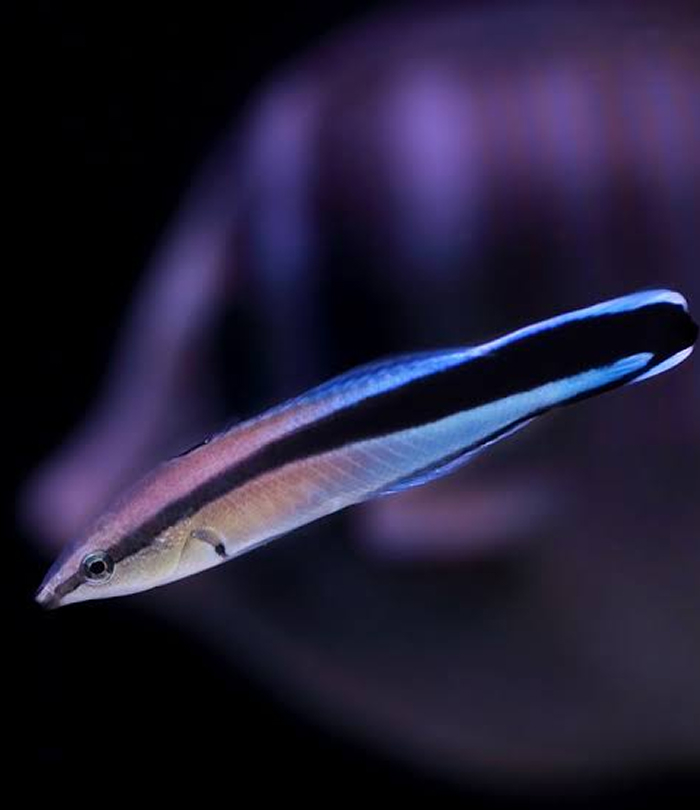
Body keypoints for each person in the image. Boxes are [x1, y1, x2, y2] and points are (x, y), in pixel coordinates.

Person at [22, 1, 700, 786]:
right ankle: (634, 343)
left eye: (99, 570)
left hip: (359, 435)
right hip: (359, 439)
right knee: (515, 385)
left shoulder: (191, 534)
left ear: (151, 546)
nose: (81, 581)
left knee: (510, 379)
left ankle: (636, 340)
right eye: (90, 570)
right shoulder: (182, 533)